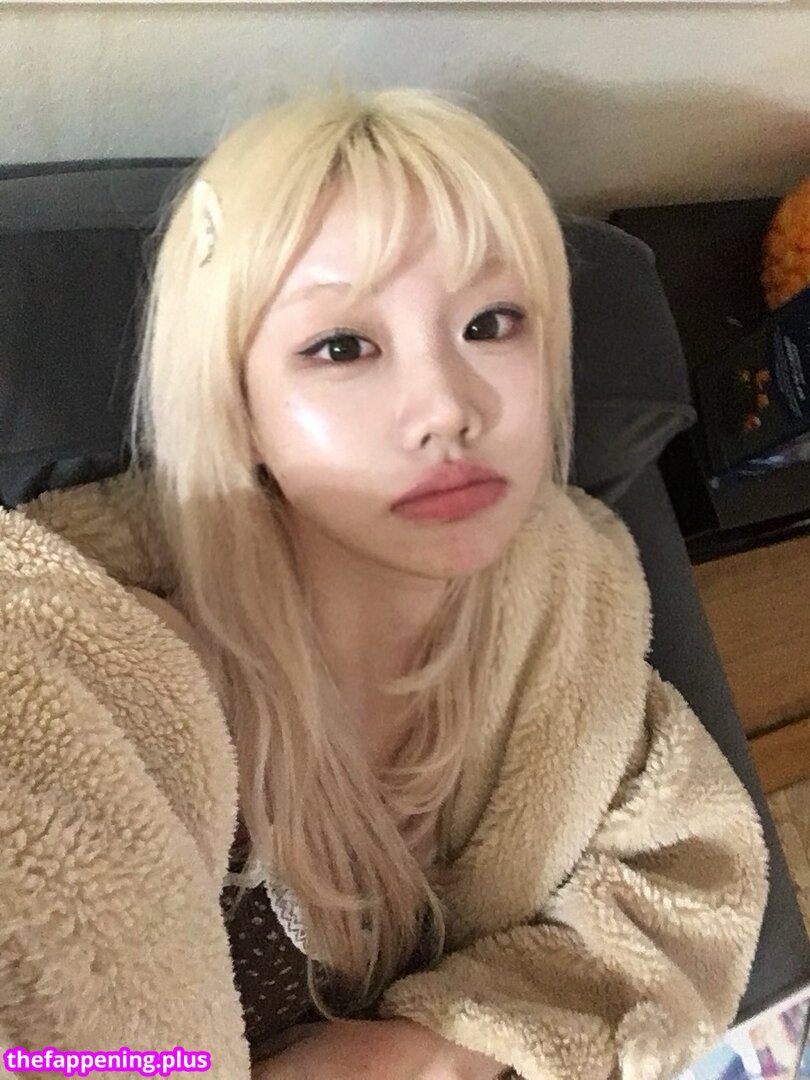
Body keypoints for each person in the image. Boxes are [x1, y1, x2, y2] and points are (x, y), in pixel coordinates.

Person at [0, 84, 769, 1080]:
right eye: (342, 346)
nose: (447, 406)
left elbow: (693, 888)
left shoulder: (562, 615)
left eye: (492, 323)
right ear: (237, 406)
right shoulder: (83, 674)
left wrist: (436, 1045)